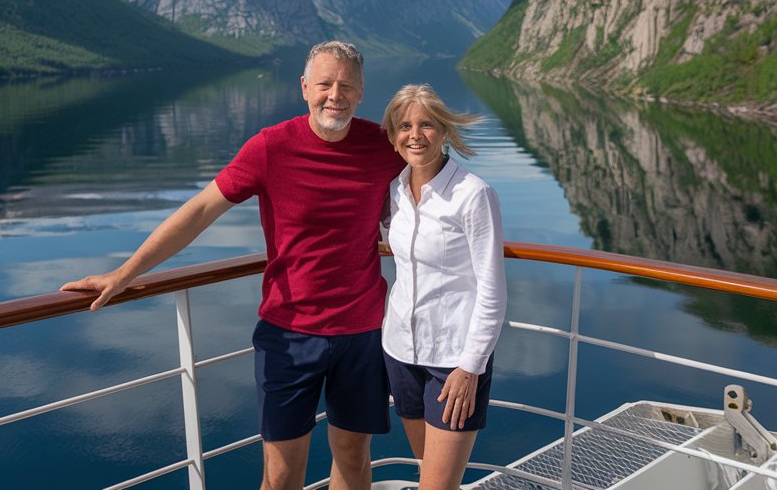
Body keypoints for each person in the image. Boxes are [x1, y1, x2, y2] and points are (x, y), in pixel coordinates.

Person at [61, 41, 405, 490]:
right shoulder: (271, 147)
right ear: (304, 88)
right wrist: (126, 273)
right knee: (281, 475)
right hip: (289, 333)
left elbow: (436, 194)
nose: (334, 95)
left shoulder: (382, 147)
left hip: (363, 331)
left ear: (362, 93)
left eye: (346, 86)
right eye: (324, 84)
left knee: (355, 460)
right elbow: (200, 211)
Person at [379, 84, 507, 490]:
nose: (415, 135)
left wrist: (471, 366)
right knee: (425, 475)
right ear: (393, 135)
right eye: (405, 126)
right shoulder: (395, 192)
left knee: (438, 487)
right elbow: (387, 240)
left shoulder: (473, 195)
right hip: (400, 352)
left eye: (426, 125)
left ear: (445, 132)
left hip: (453, 360)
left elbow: (492, 288)